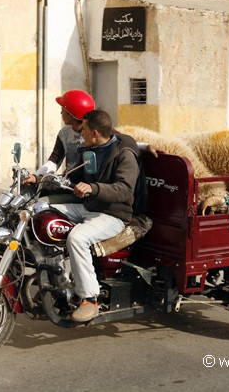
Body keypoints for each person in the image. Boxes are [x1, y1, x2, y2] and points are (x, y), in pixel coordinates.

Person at [52, 110, 140, 322]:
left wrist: (93, 188)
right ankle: (56, 275)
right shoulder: (90, 150)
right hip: (90, 208)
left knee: (77, 238)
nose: (80, 134)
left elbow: (124, 190)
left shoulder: (123, 153)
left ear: (94, 132)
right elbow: (74, 176)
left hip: (113, 214)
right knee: (44, 213)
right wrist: (42, 180)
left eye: (83, 131)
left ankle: (90, 298)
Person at [24, 89, 159, 187]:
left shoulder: (97, 131)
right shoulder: (64, 133)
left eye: (63, 110)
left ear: (72, 114)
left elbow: (121, 141)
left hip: (88, 186)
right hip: (68, 181)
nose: (60, 112)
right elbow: (54, 160)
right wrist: (36, 176)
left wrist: (146, 146)